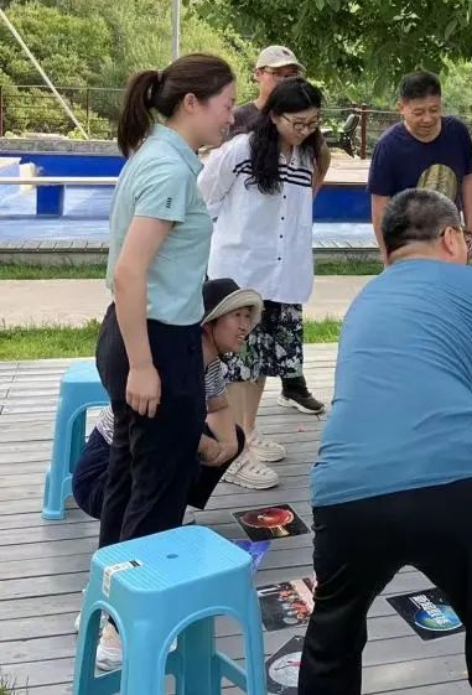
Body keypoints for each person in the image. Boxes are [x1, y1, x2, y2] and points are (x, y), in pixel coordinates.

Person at [300, 189, 472, 695]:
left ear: (386, 250)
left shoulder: (364, 300)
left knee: (331, 646)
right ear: (452, 238)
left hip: (347, 492)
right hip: (462, 485)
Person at [93, 53, 235, 662]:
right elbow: (131, 271)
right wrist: (146, 365)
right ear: (191, 104)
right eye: (227, 105)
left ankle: (111, 608)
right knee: (157, 488)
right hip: (152, 341)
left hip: (142, 335)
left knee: (130, 478)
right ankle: (127, 632)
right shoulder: (168, 169)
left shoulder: (157, 155)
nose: (231, 117)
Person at [74, 278, 269, 669]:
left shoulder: (207, 362)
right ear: (209, 321)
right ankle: (116, 630)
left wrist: (227, 444)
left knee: (213, 442)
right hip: (100, 476)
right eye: (238, 316)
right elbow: (164, 424)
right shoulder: (178, 355)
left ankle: (106, 598)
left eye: (250, 317)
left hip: (138, 464)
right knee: (154, 497)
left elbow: (218, 410)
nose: (246, 326)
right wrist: (206, 445)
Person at [199, 78, 327, 476]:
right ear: (273, 117)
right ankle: (234, 449)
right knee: (238, 365)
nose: (305, 131)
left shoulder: (305, 158)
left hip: (283, 277)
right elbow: (203, 198)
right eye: (297, 123)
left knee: (262, 362)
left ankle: (248, 433)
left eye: (313, 123)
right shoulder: (241, 150)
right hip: (242, 274)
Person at [227, 44, 329, 416]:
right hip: (244, 263)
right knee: (240, 355)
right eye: (278, 73)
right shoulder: (239, 130)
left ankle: (254, 425)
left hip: (283, 265)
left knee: (272, 348)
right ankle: (236, 435)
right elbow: (210, 194)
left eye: (292, 74)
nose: (303, 130)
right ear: (259, 75)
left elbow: (310, 181)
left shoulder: (306, 143)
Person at [367, 71, 472, 262]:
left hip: (450, 241)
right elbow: (380, 208)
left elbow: (468, 179)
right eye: (418, 112)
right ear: (401, 108)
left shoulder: (457, 133)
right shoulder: (388, 147)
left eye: (434, 110)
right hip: (409, 247)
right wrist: (387, 257)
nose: (427, 119)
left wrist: (470, 230)